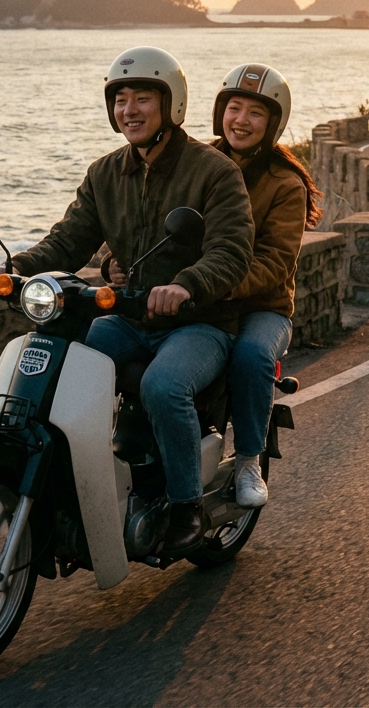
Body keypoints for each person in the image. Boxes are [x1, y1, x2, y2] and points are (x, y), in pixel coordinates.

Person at [0, 46, 253, 558]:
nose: (129, 108)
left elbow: (232, 251)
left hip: (200, 323)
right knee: (62, 360)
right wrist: (16, 267)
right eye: (120, 98)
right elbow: (68, 240)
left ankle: (185, 507)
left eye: (143, 97)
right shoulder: (105, 173)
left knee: (163, 384)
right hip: (127, 316)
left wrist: (187, 285)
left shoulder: (214, 172)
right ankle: (74, 483)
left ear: (170, 105)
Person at [109, 63, 320, 508]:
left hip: (261, 304)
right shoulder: (196, 164)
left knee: (250, 354)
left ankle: (247, 460)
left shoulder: (284, 185)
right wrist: (114, 260)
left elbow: (274, 263)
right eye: (234, 108)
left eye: (255, 113)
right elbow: (150, 231)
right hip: (195, 300)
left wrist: (207, 286)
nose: (241, 120)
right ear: (218, 112)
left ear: (274, 123)